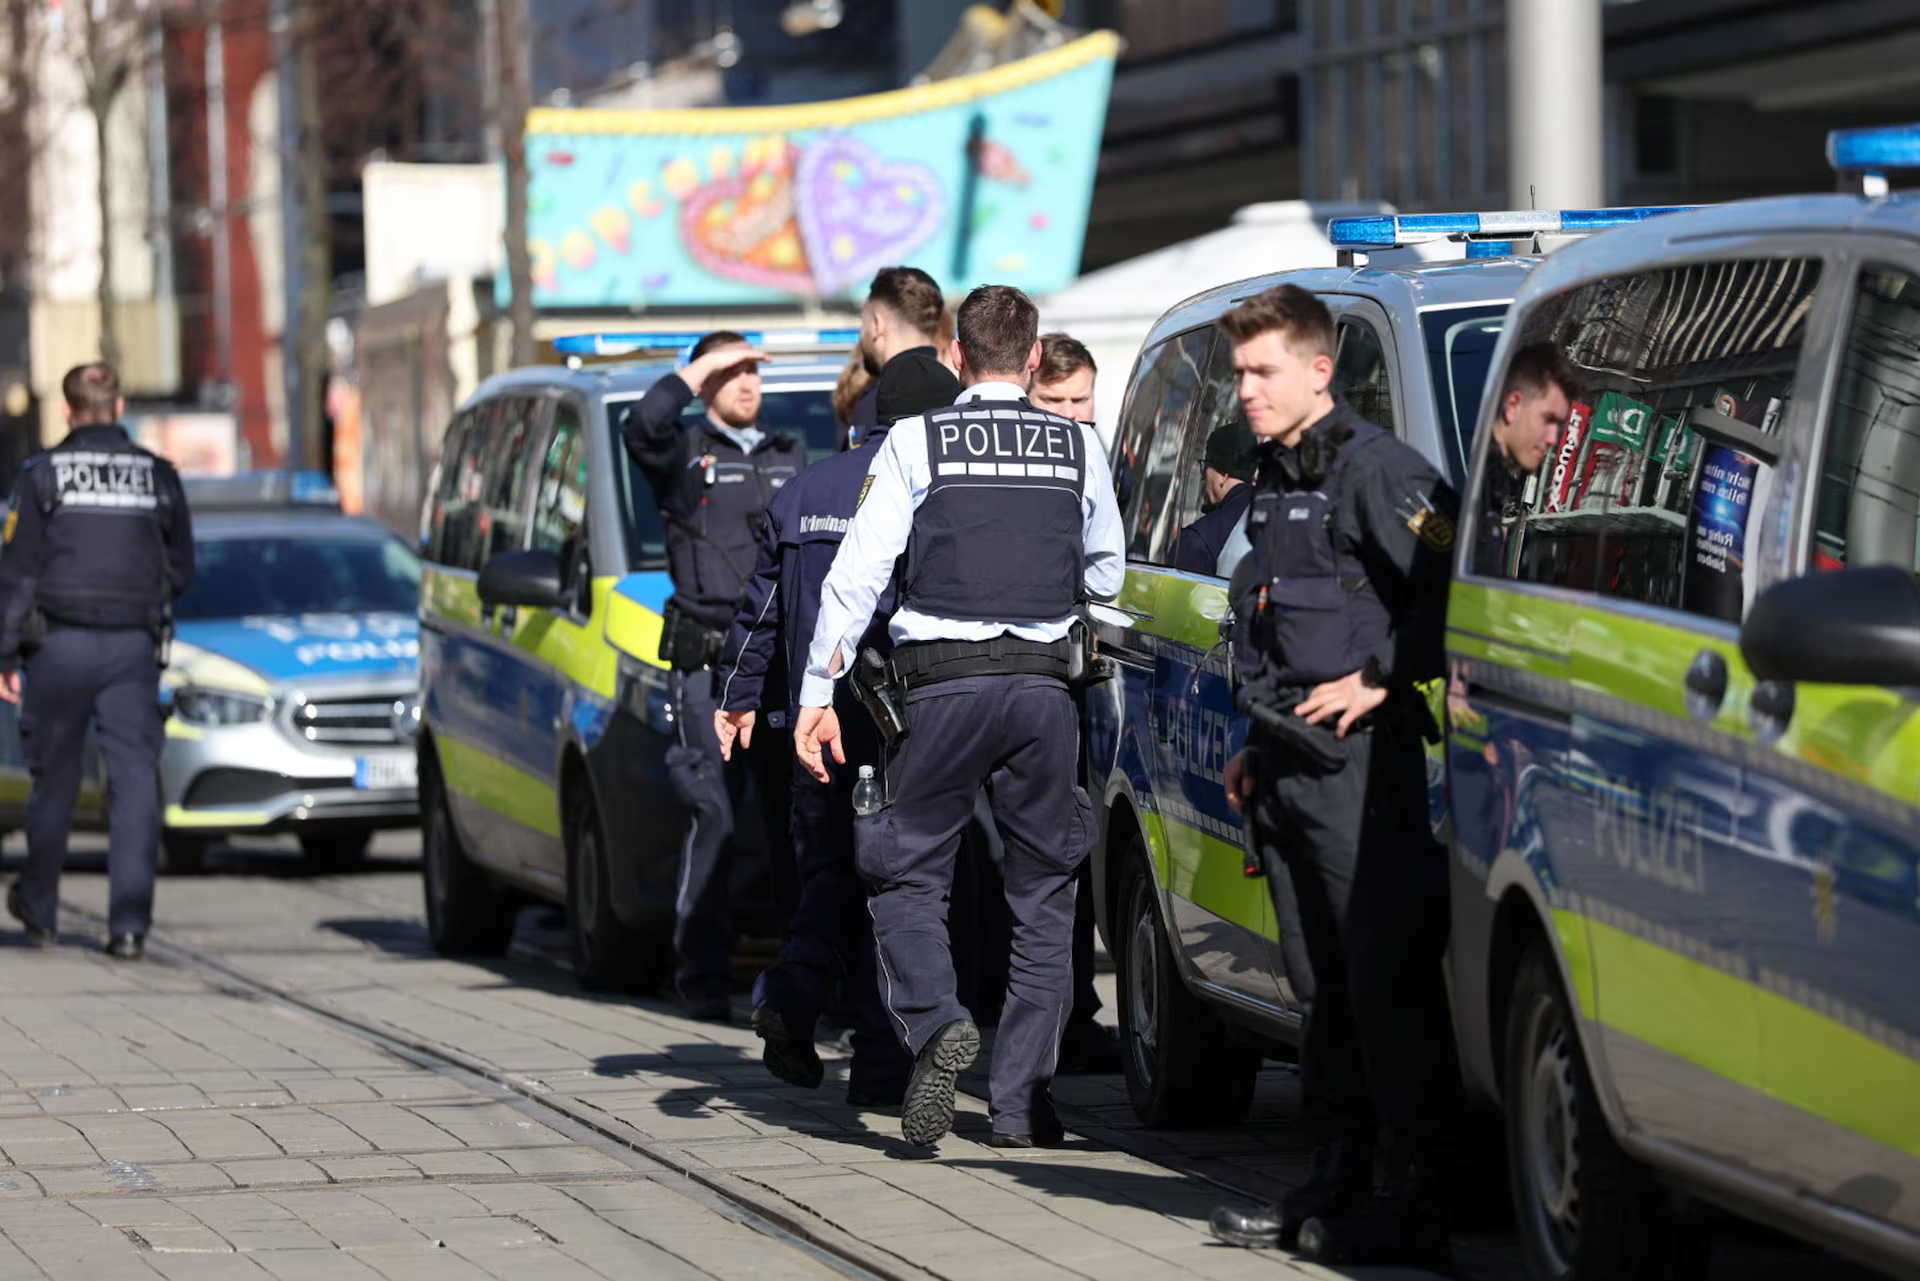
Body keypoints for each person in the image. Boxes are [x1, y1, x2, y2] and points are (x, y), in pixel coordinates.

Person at [794, 285, 1124, 1149]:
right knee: (1047, 893)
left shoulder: (914, 439)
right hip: (1045, 692)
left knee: (904, 872)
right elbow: (1110, 573)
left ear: (954, 356)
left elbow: (856, 579)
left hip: (937, 691)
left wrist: (815, 697)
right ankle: (1021, 1106)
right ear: (1035, 354)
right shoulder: (1078, 445)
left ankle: (938, 1020)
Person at [1204, 286, 1465, 1267]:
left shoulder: (1380, 471)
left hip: (1364, 777)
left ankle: (1418, 1198)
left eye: (1262, 370)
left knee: (1386, 987)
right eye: (1238, 374)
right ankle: (1337, 1177)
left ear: (1319, 370)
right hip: (1286, 773)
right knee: (1322, 995)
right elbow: (1274, 623)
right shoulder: (1273, 478)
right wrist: (1252, 743)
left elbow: (1450, 590)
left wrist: (1379, 677)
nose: (1246, 390)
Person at [714, 349, 961, 1106]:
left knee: (828, 872)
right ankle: (884, 1063)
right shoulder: (928, 486)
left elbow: (760, 610)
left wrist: (739, 696)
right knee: (898, 883)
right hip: (899, 717)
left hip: (813, 722)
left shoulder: (802, 491)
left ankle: (791, 993)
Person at [623, 331, 806, 1020]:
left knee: (794, 819)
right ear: (705, 383)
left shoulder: (791, 453)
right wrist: (695, 368)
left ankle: (801, 977)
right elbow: (643, 426)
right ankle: (702, 975)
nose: (748, 381)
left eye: (755, 368)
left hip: (780, 665)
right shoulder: (682, 454)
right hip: (708, 659)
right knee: (714, 810)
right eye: (732, 371)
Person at [0, 362, 193, 958]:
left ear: (67, 409)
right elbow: (182, 567)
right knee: (133, 783)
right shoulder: (158, 476)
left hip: (58, 648)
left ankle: (40, 906)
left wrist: (5, 651)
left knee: (54, 780)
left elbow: (17, 573)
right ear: (119, 405)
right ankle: (129, 925)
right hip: (133, 649)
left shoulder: (41, 477)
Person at [1473, 342, 1575, 576]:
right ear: (1512, 407)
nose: (1552, 438)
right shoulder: (1467, 478)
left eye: (1558, 426)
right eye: (1548, 420)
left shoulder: (1492, 482)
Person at [846, 266, 946, 437]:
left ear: (877, 324)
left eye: (864, 322)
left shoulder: (874, 406)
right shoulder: (961, 398)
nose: (862, 333)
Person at [1172, 420, 1258, 576]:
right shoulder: (1272, 517)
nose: (1203, 476)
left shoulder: (1197, 541)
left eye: (1206, 466)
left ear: (1224, 475)